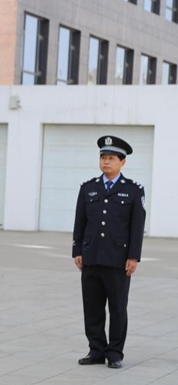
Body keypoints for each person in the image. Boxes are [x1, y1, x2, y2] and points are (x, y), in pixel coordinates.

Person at [73, 135, 146, 369]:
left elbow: (137, 227)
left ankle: (114, 352)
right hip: (91, 257)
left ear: (122, 162)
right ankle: (96, 350)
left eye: (111, 158)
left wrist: (133, 256)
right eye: (103, 157)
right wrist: (77, 250)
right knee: (92, 306)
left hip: (118, 260)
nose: (106, 162)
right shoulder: (88, 188)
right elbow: (80, 222)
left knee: (117, 307)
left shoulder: (133, 190)